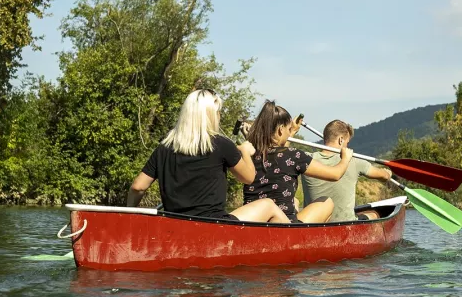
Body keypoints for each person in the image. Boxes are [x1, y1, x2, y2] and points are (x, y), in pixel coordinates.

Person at [127, 89, 289, 223]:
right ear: (211, 115)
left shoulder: (164, 147)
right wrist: (246, 152)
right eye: (218, 113)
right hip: (214, 225)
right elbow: (248, 177)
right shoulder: (221, 144)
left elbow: (138, 187)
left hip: (175, 224)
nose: (219, 117)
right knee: (268, 205)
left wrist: (130, 215)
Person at [242, 101, 354, 223]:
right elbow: (335, 174)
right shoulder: (295, 155)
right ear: (280, 130)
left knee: (295, 201)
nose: (289, 133)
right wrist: (345, 159)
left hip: (254, 222)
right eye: (288, 129)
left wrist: (293, 131)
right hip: (284, 225)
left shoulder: (249, 155)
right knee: (326, 202)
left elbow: (281, 156)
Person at [301, 119, 393, 222]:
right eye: (347, 142)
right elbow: (383, 176)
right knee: (374, 214)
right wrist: (388, 173)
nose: (347, 146)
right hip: (346, 224)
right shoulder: (354, 161)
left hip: (315, 224)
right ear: (341, 140)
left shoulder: (306, 159)